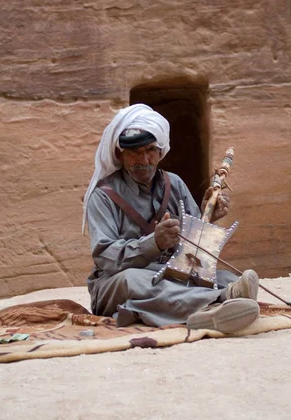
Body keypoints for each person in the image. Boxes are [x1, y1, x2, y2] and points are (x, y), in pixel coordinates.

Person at [83, 103, 260, 333]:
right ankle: (217, 302)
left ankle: (214, 304)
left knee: (224, 275)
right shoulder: (103, 196)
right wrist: (153, 243)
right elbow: (106, 257)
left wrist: (207, 218)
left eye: (150, 151)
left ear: (161, 151)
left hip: (171, 273)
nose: (144, 160)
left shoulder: (173, 184)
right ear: (120, 154)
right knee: (134, 281)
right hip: (115, 281)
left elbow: (195, 250)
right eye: (135, 153)